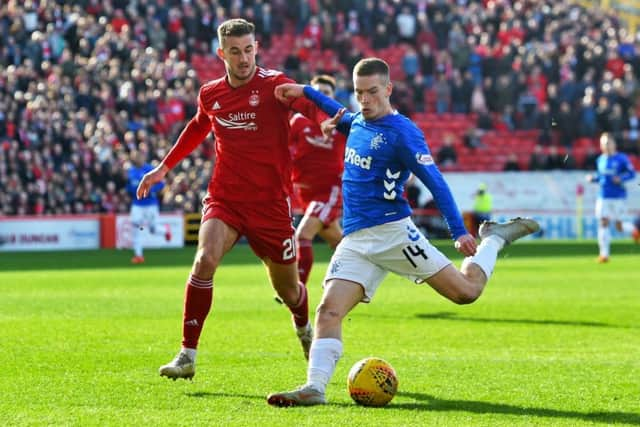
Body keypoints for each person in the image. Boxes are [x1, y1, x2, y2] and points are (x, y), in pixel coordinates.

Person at [266, 58, 540, 406]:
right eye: (359, 93)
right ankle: (315, 388)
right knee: (328, 312)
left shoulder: (403, 132)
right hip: (356, 240)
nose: (365, 100)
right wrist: (304, 91)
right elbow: (338, 111)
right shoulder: (356, 123)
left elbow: (435, 181)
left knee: (466, 292)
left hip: (394, 234)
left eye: (373, 92)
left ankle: (494, 239)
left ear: (389, 89)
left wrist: (458, 231)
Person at [136, 18, 319, 381]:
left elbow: (309, 106)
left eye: (249, 49)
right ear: (222, 53)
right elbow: (198, 126)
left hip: (270, 206)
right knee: (204, 260)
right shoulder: (211, 94)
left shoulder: (275, 85)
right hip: (226, 199)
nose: (243, 58)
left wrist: (325, 119)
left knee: (288, 289)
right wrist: (163, 168)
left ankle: (303, 327)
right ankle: (187, 354)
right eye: (235, 52)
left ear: (257, 48)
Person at [289, 74, 347, 286]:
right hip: (305, 192)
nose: (322, 97)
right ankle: (358, 271)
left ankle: (297, 290)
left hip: (328, 191)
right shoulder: (298, 121)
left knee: (303, 235)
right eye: (317, 93)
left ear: (334, 97)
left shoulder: (342, 124)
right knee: (339, 243)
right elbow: (284, 149)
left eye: (327, 93)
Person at [585, 133, 637, 262]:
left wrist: (621, 178)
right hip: (603, 196)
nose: (605, 146)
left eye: (607, 143)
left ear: (614, 144)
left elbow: (632, 173)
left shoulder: (622, 158)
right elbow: (601, 177)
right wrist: (593, 179)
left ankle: (636, 230)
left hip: (618, 197)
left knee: (619, 227)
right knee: (603, 222)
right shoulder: (600, 160)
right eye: (602, 143)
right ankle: (604, 255)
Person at [126, 150, 170, 264]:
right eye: (135, 157)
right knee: (136, 228)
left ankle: (165, 230)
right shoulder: (131, 171)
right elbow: (129, 186)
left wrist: (151, 190)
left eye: (138, 156)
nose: (137, 159)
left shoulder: (150, 168)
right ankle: (139, 255)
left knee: (153, 229)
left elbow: (161, 184)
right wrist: (128, 191)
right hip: (137, 204)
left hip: (151, 204)